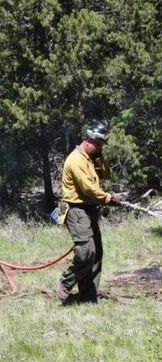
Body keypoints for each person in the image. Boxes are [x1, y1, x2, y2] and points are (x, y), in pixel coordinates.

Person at [57, 121, 121, 304]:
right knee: (86, 252)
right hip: (76, 209)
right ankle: (65, 281)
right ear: (88, 141)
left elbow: (107, 175)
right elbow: (89, 190)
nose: (100, 147)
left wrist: (100, 160)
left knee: (96, 254)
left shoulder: (90, 159)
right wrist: (109, 199)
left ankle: (88, 296)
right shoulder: (76, 160)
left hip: (89, 209)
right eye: (99, 144)